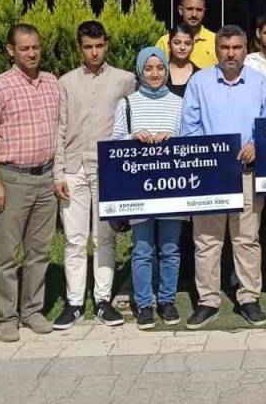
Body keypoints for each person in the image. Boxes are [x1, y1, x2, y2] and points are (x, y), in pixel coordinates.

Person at [180, 26, 266, 328]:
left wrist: (255, 144)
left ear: (246, 49)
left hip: (247, 173)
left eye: (237, 47)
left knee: (246, 239)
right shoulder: (200, 82)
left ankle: (249, 297)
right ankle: (208, 300)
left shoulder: (259, 83)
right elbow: (189, 127)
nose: (231, 53)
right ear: (217, 49)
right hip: (210, 176)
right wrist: (210, 155)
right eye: (225, 48)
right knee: (207, 241)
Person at [0, 24, 59, 342]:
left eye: (36, 46)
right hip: (12, 179)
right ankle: (7, 316)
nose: (32, 53)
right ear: (11, 50)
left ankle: (32, 311)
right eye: (25, 48)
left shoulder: (51, 83)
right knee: (8, 254)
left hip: (46, 177)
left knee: (39, 252)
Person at [52, 21, 135, 329]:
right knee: (74, 240)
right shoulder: (66, 82)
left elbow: (131, 124)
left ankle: (102, 300)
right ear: (80, 48)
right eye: (88, 47)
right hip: (73, 168)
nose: (94, 52)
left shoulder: (125, 80)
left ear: (107, 44)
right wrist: (57, 172)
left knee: (105, 238)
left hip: (107, 169)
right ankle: (74, 303)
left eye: (99, 45)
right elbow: (59, 129)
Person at [114, 47, 184, 330]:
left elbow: (192, 140)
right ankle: (144, 304)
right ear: (140, 71)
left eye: (159, 68)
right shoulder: (127, 104)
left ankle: (166, 300)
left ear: (166, 70)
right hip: (139, 190)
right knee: (142, 249)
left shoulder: (179, 102)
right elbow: (114, 141)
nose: (154, 74)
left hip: (172, 187)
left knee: (170, 248)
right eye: (148, 69)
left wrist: (174, 138)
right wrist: (132, 137)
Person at [156, 0, 217, 68]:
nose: (194, 14)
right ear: (180, 10)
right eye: (190, 9)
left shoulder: (215, 41)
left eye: (199, 10)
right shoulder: (165, 42)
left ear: (204, 12)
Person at [166, 25, 196, 98]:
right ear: (169, 45)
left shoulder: (199, 75)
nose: (182, 47)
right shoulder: (160, 73)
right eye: (177, 43)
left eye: (187, 43)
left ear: (193, 46)